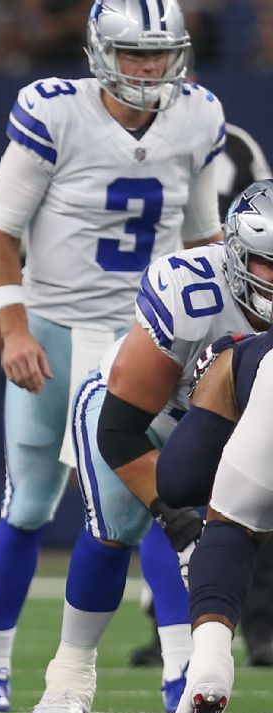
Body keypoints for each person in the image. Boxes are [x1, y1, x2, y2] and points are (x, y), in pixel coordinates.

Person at [0, 0, 227, 713]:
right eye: (134, 55)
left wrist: (212, 333)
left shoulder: (198, 116)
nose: (148, 68)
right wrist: (14, 330)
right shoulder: (54, 112)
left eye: (159, 53)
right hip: (54, 327)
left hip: (149, 334)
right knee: (29, 505)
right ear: (100, 53)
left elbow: (205, 238)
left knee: (153, 495)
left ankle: (180, 665)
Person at [27, 181, 273, 713]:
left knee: (222, 547)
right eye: (267, 265)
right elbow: (119, 429)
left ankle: (190, 677)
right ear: (237, 256)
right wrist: (175, 515)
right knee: (115, 528)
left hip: (236, 428)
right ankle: (68, 678)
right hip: (148, 416)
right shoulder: (190, 289)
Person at [128, 119, 273, 668]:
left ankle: (245, 632)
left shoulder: (234, 143)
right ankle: (174, 631)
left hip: (239, 331)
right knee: (185, 491)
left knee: (236, 493)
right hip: (189, 311)